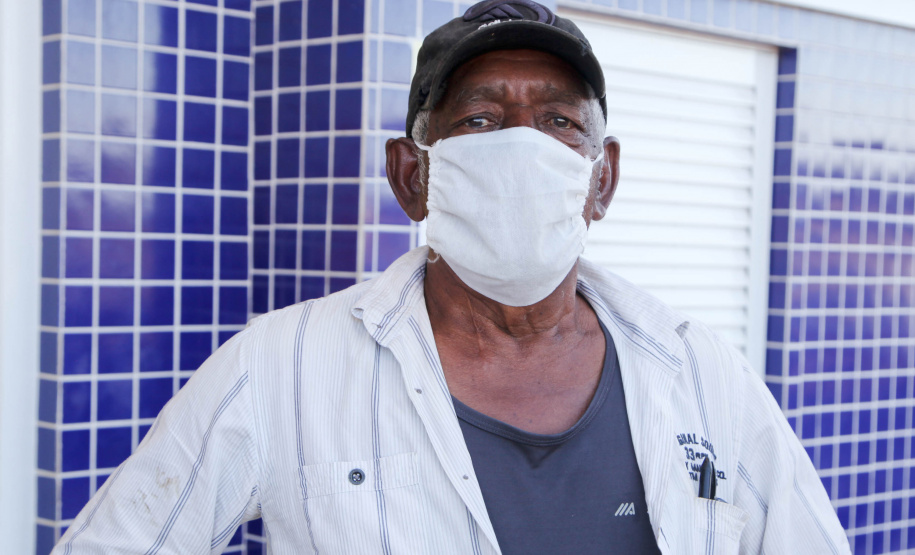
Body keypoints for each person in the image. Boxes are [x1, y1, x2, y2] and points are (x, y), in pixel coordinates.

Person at [54, 1, 851, 553]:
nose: (521, 146)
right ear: (412, 176)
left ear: (599, 179)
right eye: (478, 120)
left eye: (558, 122)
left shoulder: (702, 373)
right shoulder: (280, 366)